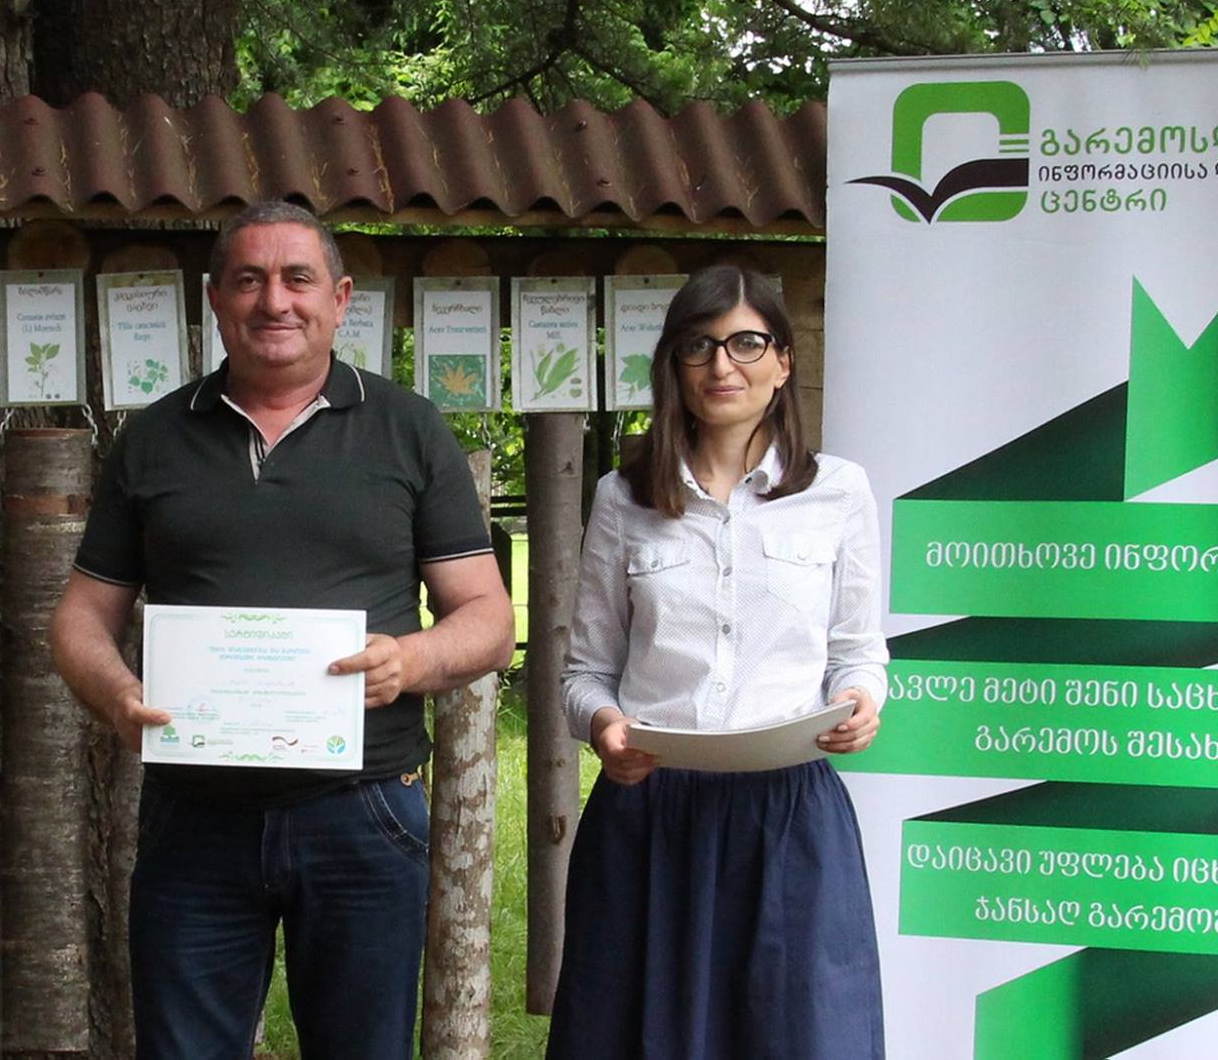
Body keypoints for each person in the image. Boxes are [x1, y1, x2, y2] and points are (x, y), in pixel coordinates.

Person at [51, 200, 516, 1060]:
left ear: (339, 299)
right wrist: (116, 696)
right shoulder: (155, 438)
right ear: (215, 299)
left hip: (363, 810)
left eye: (298, 279)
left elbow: (488, 619)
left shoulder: (409, 429)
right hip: (195, 815)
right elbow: (81, 614)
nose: (275, 301)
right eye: (249, 280)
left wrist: (410, 659)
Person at [548, 264, 888, 1058]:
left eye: (746, 343)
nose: (722, 365)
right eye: (699, 345)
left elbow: (857, 652)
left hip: (791, 817)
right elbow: (583, 675)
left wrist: (862, 700)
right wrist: (604, 728)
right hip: (652, 815)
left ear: (784, 362)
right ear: (675, 364)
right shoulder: (623, 498)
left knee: (801, 1036)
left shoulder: (840, 492)